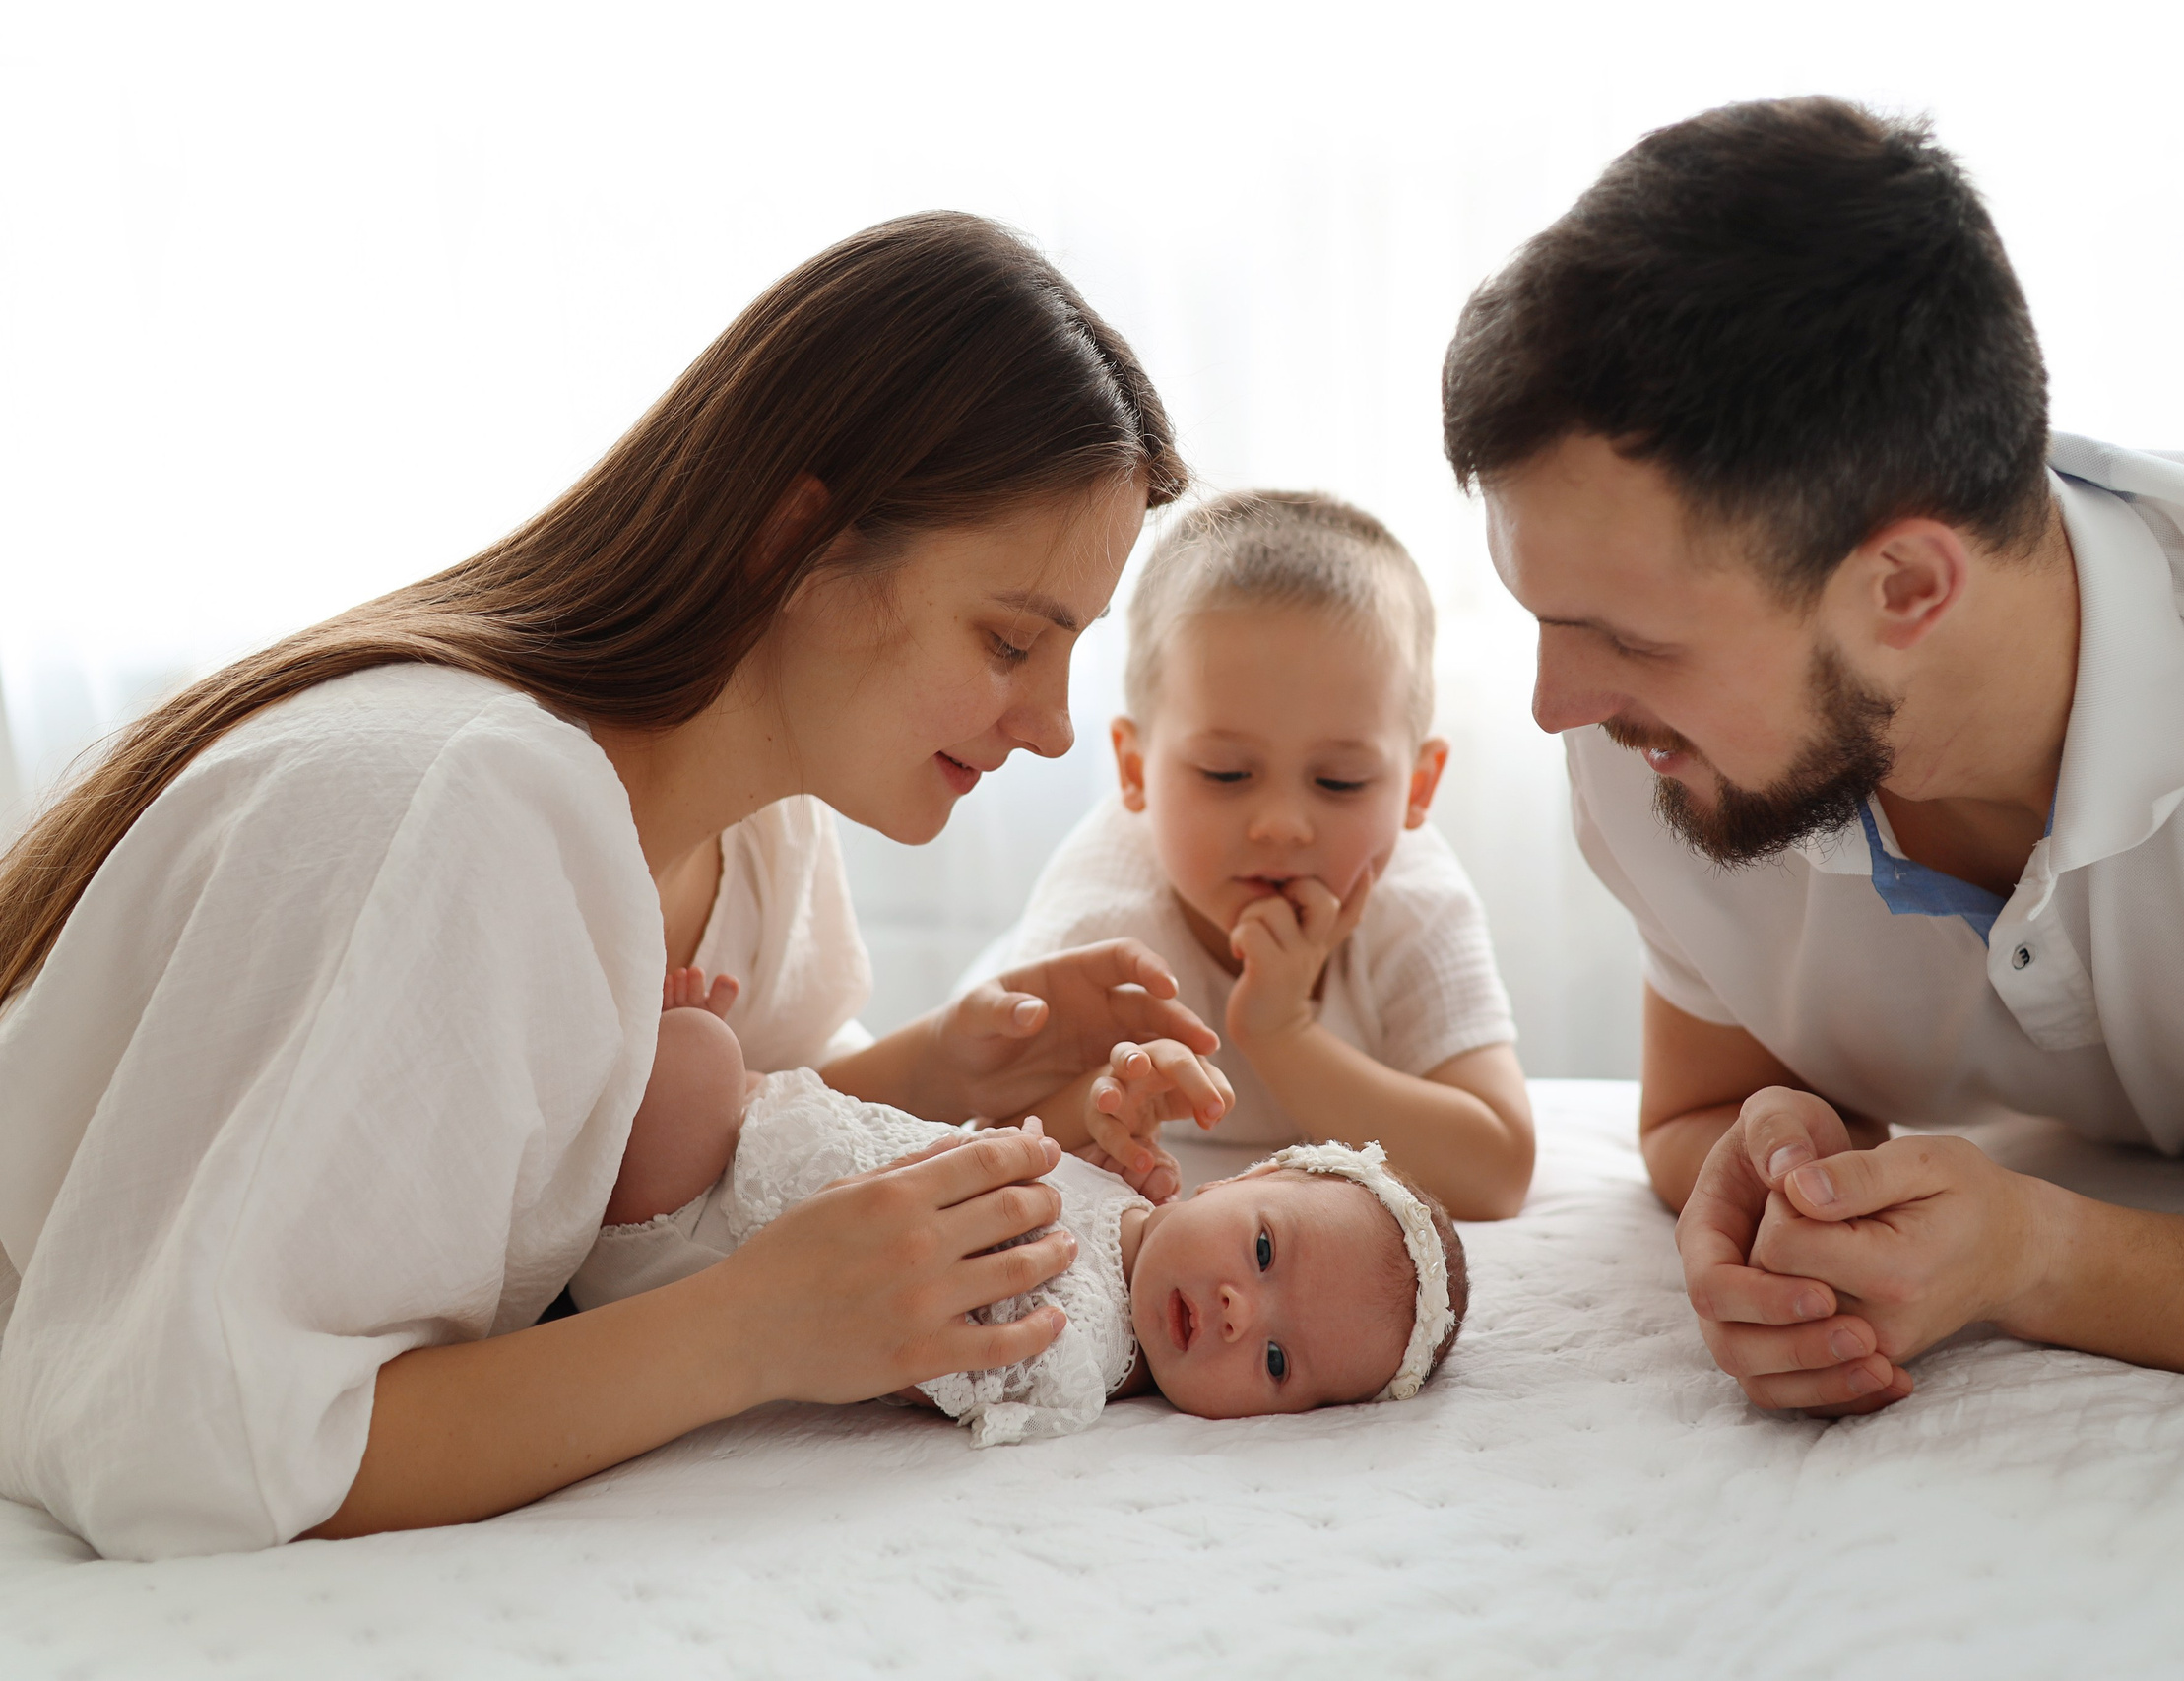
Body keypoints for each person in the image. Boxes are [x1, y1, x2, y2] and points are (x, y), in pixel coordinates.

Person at [0, 213, 1222, 1561]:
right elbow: (188, 1449)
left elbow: (678, 1158)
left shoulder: (757, 834)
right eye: (1007, 640)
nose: (1052, 726)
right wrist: (749, 1331)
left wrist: (954, 1073)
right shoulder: (465, 810)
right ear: (803, 543)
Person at [1442, 97, 2184, 1413]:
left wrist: (2042, 1255)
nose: (1556, 704)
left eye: (1627, 639)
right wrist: (1787, 1164)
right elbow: (1694, 1111)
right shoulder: (1661, 746)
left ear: (1906, 584)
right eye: (1545, 620)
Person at [579, 982, 1467, 1444]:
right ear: (1236, 1180)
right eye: (1265, 1249)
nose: (1241, 1312)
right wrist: (1102, 1113)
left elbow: (916, 1350)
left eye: (1277, 1360)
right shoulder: (1129, 1199)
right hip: (762, 1139)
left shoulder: (1074, 1354)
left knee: (690, 1059)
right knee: (701, 1056)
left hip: (698, 1243)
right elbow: (1007, 1149)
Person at [991, 491, 1535, 1219]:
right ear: (1134, 769)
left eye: (1339, 781)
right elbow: (991, 1128)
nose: (1281, 826)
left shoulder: (1415, 902)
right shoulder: (1104, 925)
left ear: (1418, 786)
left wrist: (1283, 1034)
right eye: (1226, 773)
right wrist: (1097, 1106)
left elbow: (1497, 1172)